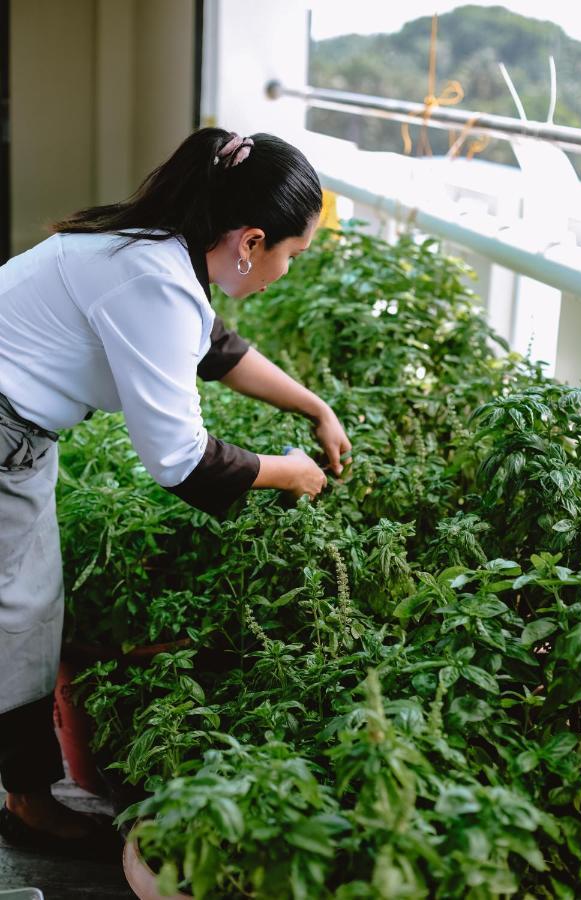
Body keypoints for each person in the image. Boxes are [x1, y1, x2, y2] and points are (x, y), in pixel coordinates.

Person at [0, 127, 351, 855]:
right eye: (292, 255)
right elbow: (181, 461)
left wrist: (313, 406)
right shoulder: (156, 281)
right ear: (251, 240)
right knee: (22, 620)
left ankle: (29, 796)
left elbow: (213, 347)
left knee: (25, 614)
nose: (286, 272)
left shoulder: (153, 248)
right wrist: (289, 470)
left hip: (14, 432)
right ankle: (31, 806)